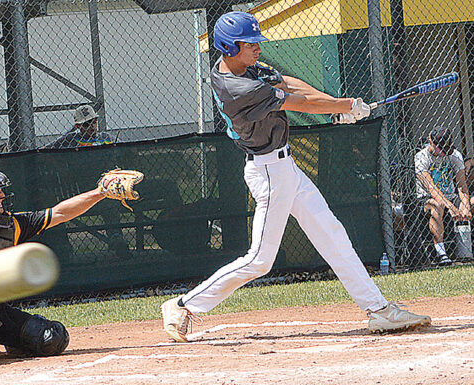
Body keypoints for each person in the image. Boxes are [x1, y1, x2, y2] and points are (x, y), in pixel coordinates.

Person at [159, 12, 430, 343]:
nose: (258, 48)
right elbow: (298, 102)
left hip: (285, 169)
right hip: (269, 172)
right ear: (230, 47)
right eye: (250, 44)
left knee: (332, 233)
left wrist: (338, 106)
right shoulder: (238, 88)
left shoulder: (236, 66)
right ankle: (183, 305)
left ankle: (378, 310)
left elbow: (288, 83)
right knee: (260, 260)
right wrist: (344, 106)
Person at [0, 166, 130, 365]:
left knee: (52, 339)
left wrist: (100, 192)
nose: (2, 196)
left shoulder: (11, 226)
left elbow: (59, 213)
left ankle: (15, 341)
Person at [413, 126, 470, 266]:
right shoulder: (421, 157)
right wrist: (450, 206)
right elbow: (431, 188)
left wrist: (465, 205)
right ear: (430, 141)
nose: (444, 153)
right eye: (441, 148)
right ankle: (441, 253)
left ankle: (468, 251)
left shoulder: (455, 155)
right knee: (437, 205)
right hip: (426, 198)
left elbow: (462, 185)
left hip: (451, 195)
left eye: (447, 149)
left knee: (471, 203)